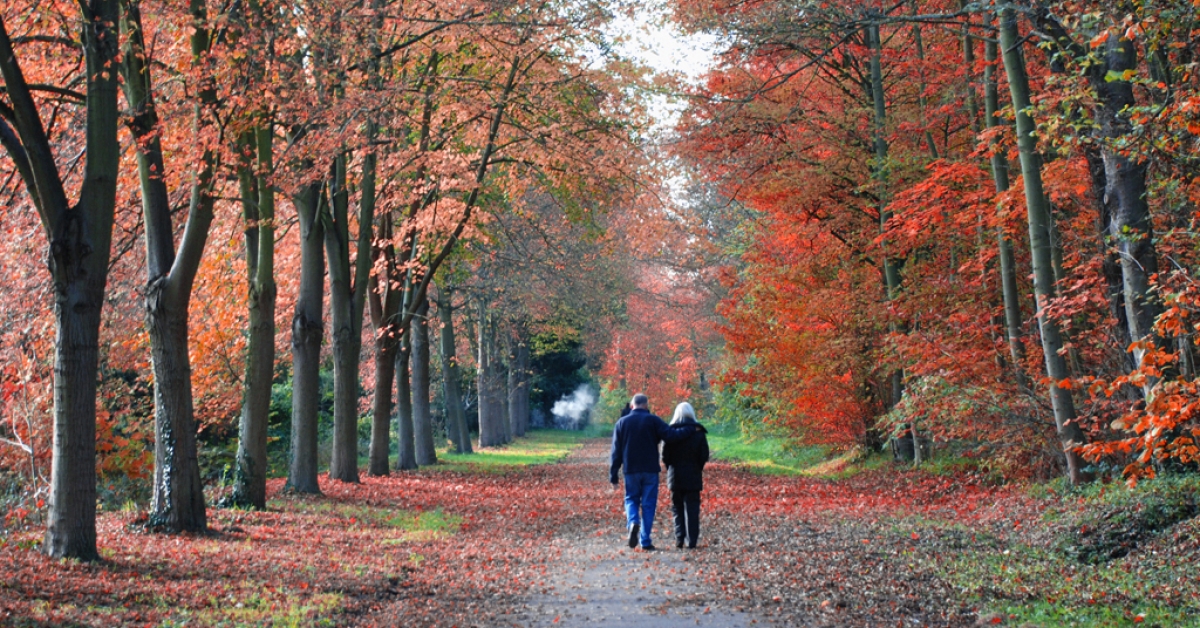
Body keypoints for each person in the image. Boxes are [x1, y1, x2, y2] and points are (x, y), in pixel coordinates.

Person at [610, 393, 695, 551]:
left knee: (631, 499)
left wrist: (613, 475)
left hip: (631, 470)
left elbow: (616, 451)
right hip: (650, 470)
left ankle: (633, 521)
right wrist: (690, 429)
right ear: (646, 405)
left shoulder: (622, 423)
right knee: (648, 505)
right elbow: (671, 436)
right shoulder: (653, 420)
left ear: (632, 405)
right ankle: (645, 541)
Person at [661, 402, 709, 549]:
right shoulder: (699, 433)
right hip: (693, 475)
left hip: (675, 476)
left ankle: (679, 538)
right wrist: (697, 468)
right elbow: (704, 455)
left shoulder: (669, 433)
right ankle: (692, 540)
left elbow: (665, 456)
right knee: (693, 509)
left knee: (677, 508)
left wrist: (671, 469)